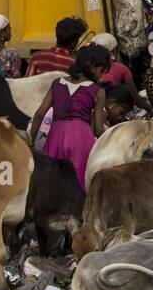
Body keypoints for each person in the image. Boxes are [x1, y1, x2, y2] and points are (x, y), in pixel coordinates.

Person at [31, 45, 111, 186]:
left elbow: (39, 114)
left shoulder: (56, 84)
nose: (101, 76)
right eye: (101, 70)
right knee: (77, 184)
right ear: (91, 66)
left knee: (50, 183)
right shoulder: (98, 91)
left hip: (55, 135)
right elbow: (98, 130)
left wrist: (31, 142)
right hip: (81, 139)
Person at [88, 33, 150, 109]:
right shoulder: (121, 69)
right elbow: (135, 98)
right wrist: (151, 109)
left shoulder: (88, 69)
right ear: (114, 50)